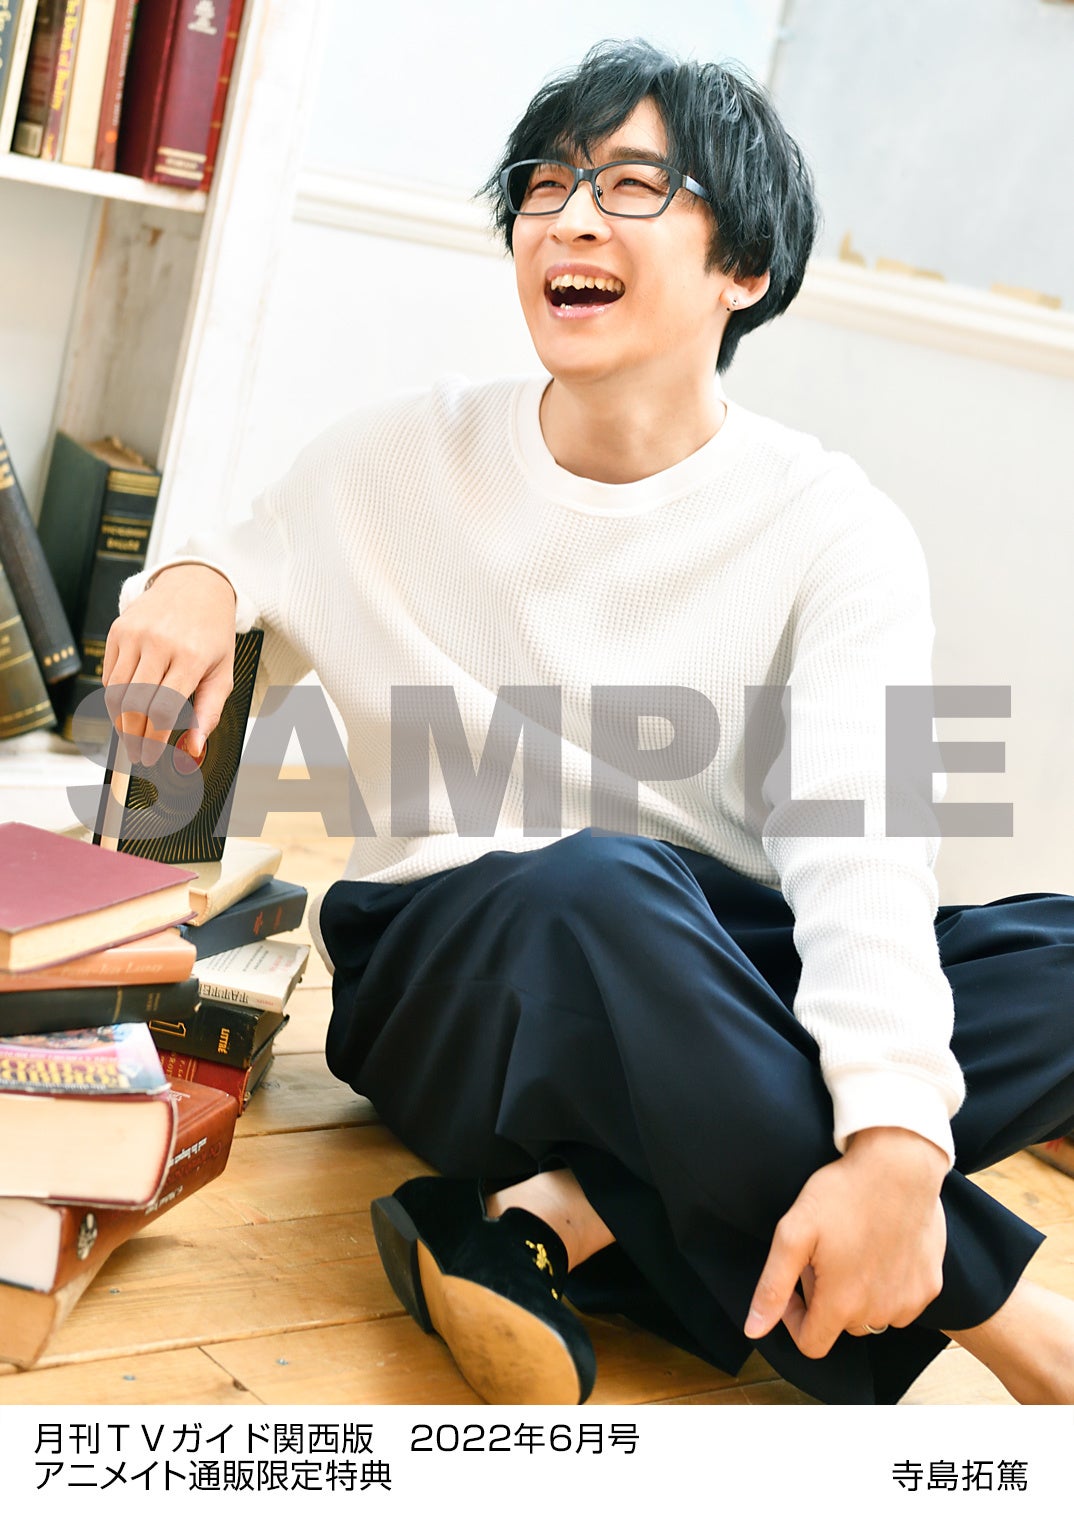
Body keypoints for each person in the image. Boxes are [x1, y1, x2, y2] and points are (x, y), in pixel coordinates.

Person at [103, 39, 1074, 1406]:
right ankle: (1005, 1315)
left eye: (630, 186)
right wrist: (195, 583)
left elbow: (862, 848)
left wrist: (900, 1144)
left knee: (1048, 957)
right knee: (601, 887)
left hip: (700, 963)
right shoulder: (404, 454)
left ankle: (562, 1213)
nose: (566, 218)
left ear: (744, 269)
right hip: (454, 968)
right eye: (544, 185)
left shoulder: (832, 527)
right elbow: (240, 562)